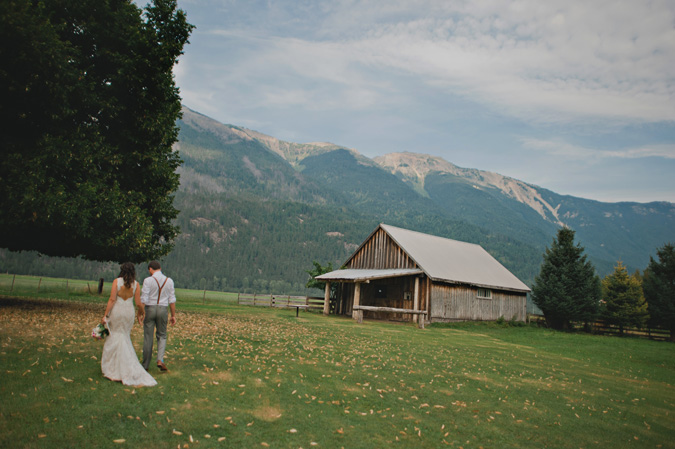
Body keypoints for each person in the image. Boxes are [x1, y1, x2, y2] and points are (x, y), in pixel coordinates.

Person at [101, 262, 157, 387]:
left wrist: (105, 314)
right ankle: (126, 366)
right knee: (124, 336)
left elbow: (112, 299)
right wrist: (141, 313)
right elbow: (138, 303)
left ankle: (113, 368)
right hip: (128, 313)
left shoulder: (117, 282)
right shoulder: (136, 285)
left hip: (117, 311)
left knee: (114, 335)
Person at [141, 260, 176, 371]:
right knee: (162, 335)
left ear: (150, 269)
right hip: (162, 309)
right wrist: (173, 315)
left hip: (150, 308)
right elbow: (172, 300)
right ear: (160, 269)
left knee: (148, 337)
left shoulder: (148, 280)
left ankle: (145, 365)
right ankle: (160, 359)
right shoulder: (169, 281)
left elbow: (144, 298)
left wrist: (141, 312)